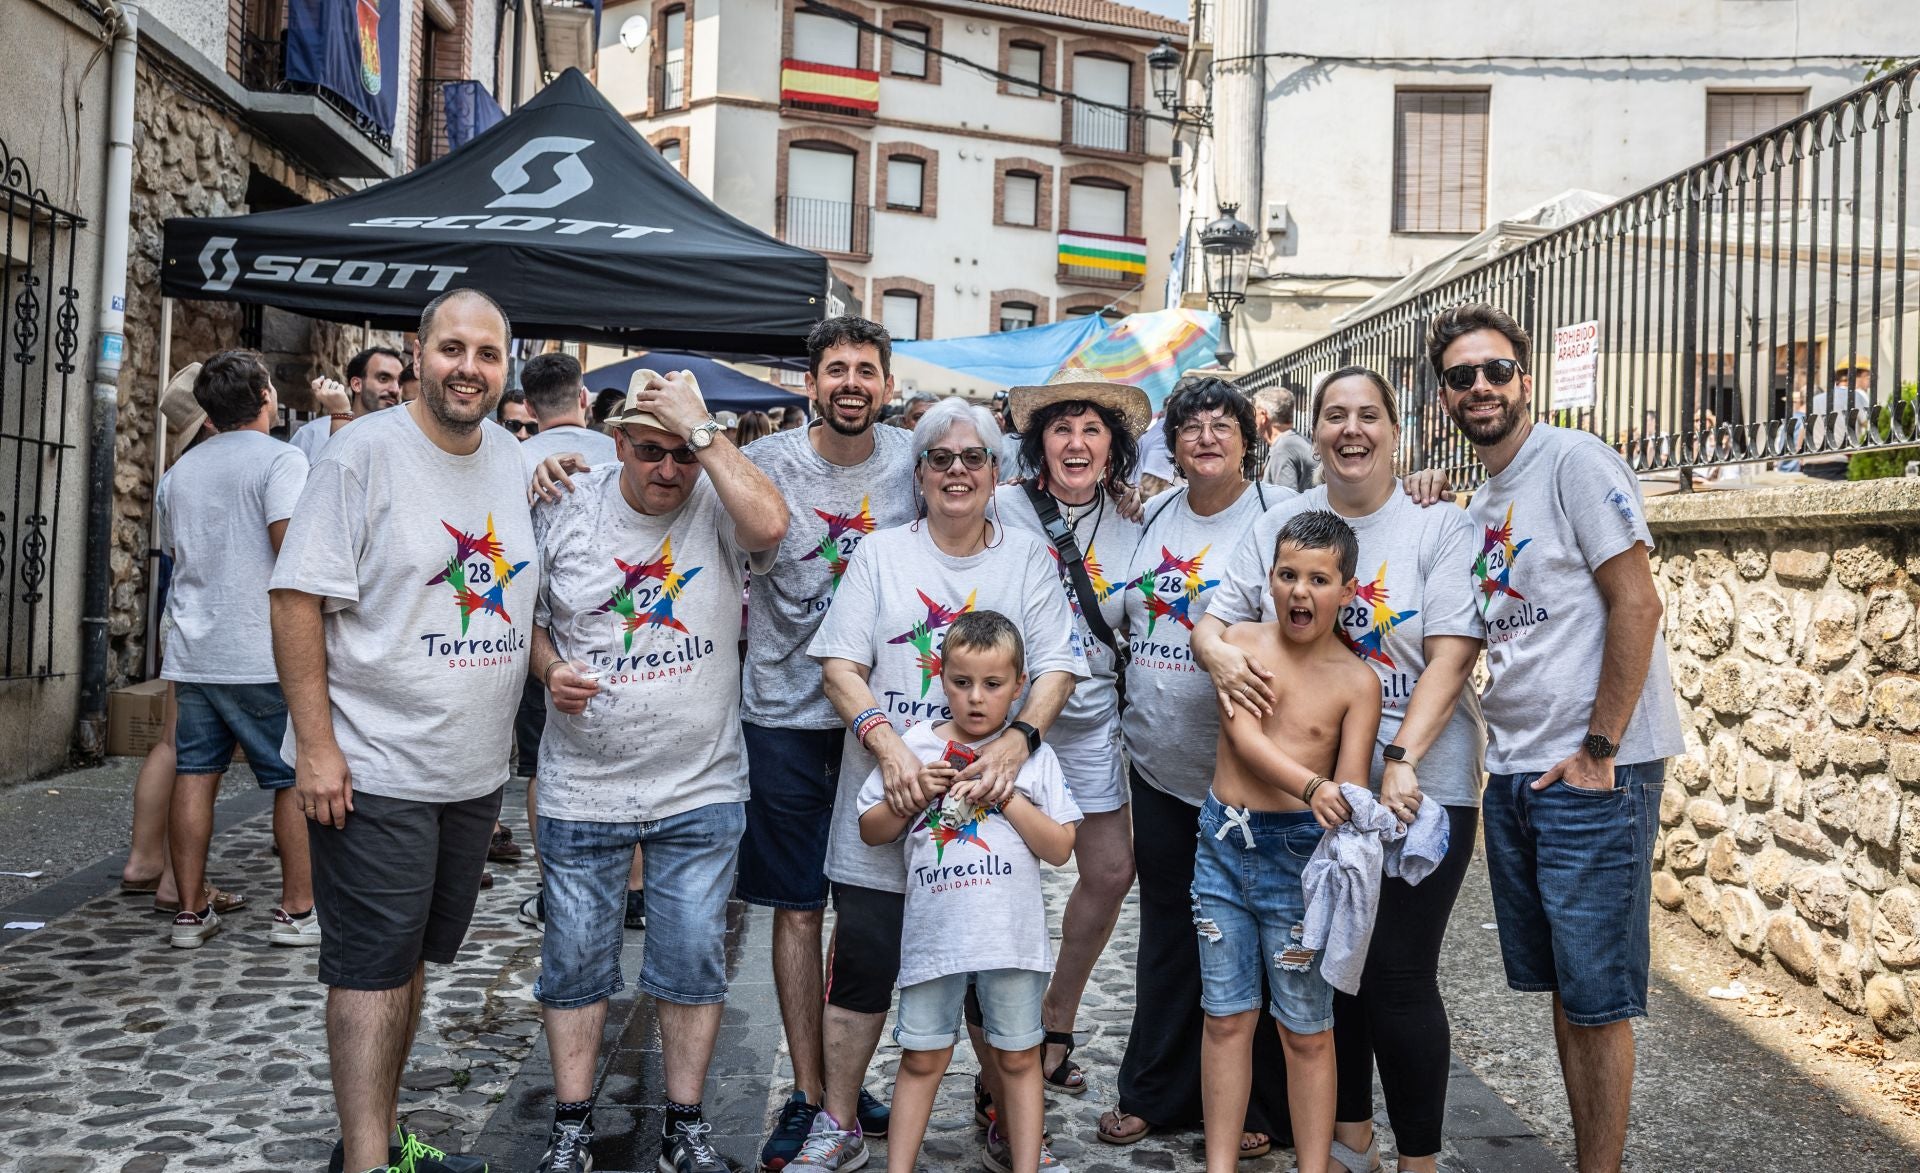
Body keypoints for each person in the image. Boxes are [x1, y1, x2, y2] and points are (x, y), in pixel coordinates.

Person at [1195, 367, 1485, 1173]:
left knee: (1395, 975)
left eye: (1369, 415)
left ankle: (1417, 1158)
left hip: (1417, 779)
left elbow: (1454, 651)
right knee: (1333, 976)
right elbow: (1216, 629)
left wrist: (1399, 759)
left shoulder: (1435, 520)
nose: (1351, 429)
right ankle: (1348, 1141)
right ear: (1312, 429)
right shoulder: (1282, 523)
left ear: (1396, 429)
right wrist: (1217, 654)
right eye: (1335, 416)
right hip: (1310, 799)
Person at [270, 288, 533, 1173]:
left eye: (487, 354)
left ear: (506, 366)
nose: (469, 368)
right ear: (418, 354)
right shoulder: (362, 453)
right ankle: (369, 1162)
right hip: (372, 763)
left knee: (412, 960)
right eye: (452, 349)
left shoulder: (508, 455)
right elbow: (297, 598)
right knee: (371, 971)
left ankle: (374, 1139)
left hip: (467, 772)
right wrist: (315, 745)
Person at [802, 396, 1087, 1172]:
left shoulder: (1026, 556)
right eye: (940, 457)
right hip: (891, 792)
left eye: (972, 458)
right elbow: (839, 665)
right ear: (918, 471)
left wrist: (1018, 745)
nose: (956, 470)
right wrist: (888, 747)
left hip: (988, 814)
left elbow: (1057, 665)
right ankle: (837, 1120)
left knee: (988, 971)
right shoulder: (881, 553)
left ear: (996, 472)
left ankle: (1004, 1119)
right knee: (862, 962)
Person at [1429, 302, 1682, 1173]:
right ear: (1445, 398)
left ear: (1524, 378)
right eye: (1462, 376)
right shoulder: (1484, 496)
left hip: (1591, 770)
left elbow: (1638, 602)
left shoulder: (1573, 460)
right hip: (1521, 769)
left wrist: (1601, 748)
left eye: (1496, 369)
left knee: (1597, 995)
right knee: (1568, 994)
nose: (1482, 386)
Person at [526, 369, 788, 1173]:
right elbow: (528, 621)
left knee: (691, 963)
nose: (668, 468)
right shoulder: (564, 502)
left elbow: (772, 526)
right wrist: (547, 671)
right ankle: (571, 1124)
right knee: (573, 965)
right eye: (651, 451)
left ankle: (685, 1124)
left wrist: (705, 436)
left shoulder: (718, 491)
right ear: (617, 444)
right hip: (581, 785)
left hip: (699, 784)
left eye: (681, 452)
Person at [731, 317, 917, 1171]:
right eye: (835, 369)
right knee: (800, 907)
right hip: (786, 716)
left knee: (872, 911)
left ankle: (847, 1085)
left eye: (866, 370)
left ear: (886, 384)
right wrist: (555, 464)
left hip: (888, 723)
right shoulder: (767, 464)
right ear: (812, 383)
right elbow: (678, 500)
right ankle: (807, 1094)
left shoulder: (915, 461)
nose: (851, 382)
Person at [1100, 375, 1293, 1158]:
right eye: (1192, 427)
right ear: (1171, 444)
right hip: (1159, 767)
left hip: (1245, 779)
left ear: (1250, 438)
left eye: (1223, 425)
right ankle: (1155, 1089)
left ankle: (1259, 1104)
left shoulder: (1277, 520)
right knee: (1168, 933)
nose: (1207, 437)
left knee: (1254, 938)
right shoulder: (1150, 517)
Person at [857, 610, 1081, 1173]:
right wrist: (911, 794)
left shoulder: (1033, 759)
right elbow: (871, 830)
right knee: (922, 1057)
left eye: (992, 684)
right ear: (940, 678)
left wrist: (1007, 798)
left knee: (1019, 1058)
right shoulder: (915, 747)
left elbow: (1060, 847)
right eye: (961, 683)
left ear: (1019, 687)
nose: (975, 699)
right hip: (936, 940)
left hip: (1010, 940)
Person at [1201, 510, 1378, 1173]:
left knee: (1305, 1025)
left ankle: (1313, 1165)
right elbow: (1244, 741)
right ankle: (1219, 1165)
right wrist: (1313, 785)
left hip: (1300, 864)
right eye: (1288, 575)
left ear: (1347, 589)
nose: (1301, 591)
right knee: (1225, 1016)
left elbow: (1352, 787)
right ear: (1269, 579)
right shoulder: (1239, 643)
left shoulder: (1356, 681)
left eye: (1319, 578)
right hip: (1221, 849)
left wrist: (1375, 809)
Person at [993, 369, 1149, 1098]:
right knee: (1006, 875)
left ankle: (1059, 1009)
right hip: (1011, 727)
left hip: (1088, 725)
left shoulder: (1138, 519)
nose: (1077, 441)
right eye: (1062, 427)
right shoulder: (1001, 509)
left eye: (1092, 429)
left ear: (1113, 448)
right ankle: (1007, 1052)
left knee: (1112, 870)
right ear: (1039, 443)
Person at [159, 350, 314, 948]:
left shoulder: (181, 472)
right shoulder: (282, 460)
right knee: (290, 778)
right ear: (266, 395)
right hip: (263, 650)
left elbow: (179, 556)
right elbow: (291, 552)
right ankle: (297, 909)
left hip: (196, 647)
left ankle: (191, 914)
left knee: (195, 772)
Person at [508, 352, 620, 873]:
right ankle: (632, 889)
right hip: (619, 626)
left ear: (529, 405)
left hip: (540, 633)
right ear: (584, 398)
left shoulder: (511, 457)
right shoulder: (619, 450)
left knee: (538, 764)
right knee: (628, 759)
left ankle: (549, 879)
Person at [122, 362, 220, 914]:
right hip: (211, 621)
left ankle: (145, 861)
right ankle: (168, 882)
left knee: (171, 741)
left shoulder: (173, 478)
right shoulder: (213, 471)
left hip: (181, 614)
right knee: (192, 754)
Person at [290, 346, 405, 461]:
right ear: (357, 385)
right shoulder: (312, 435)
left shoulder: (403, 442)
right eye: (383, 378)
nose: (395, 390)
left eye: (400, 383)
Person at [1803, 358, 1873, 480]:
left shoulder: (1816, 399)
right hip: (1838, 462)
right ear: (1858, 377)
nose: (1870, 383)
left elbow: (1804, 431)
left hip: (1810, 462)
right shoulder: (1857, 396)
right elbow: (1869, 426)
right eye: (1868, 377)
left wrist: (1801, 458)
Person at [1253, 385, 1316, 493]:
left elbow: (1284, 501)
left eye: (1254, 414)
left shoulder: (1283, 449)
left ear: (1263, 416)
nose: (1252, 419)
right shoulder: (1298, 441)